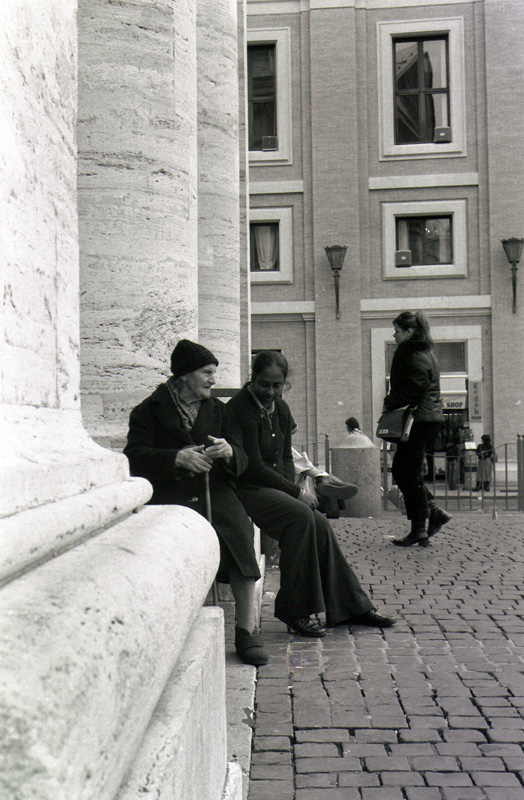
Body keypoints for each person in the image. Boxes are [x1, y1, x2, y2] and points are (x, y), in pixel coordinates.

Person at [228, 350, 395, 637]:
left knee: (319, 523)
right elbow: (253, 466)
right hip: (246, 488)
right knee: (302, 518)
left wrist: (291, 492)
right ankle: (294, 611)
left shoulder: (280, 409)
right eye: (264, 384)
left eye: (276, 385)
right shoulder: (239, 408)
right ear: (252, 379)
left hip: (272, 487)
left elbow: (283, 457)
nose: (270, 391)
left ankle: (349, 606)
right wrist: (294, 492)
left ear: (284, 383)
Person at [124, 339, 267, 667]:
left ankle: (246, 630)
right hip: (170, 496)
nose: (213, 379)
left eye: (214, 372)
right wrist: (177, 458)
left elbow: (243, 456)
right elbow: (133, 458)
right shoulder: (147, 411)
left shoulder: (220, 411)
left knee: (239, 533)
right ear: (185, 375)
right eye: (207, 372)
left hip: (215, 491)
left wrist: (229, 452)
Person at [382, 311, 451, 547]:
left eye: (397, 330)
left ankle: (421, 526)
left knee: (405, 471)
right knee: (405, 470)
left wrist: (391, 401)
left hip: (418, 420)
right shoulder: (422, 352)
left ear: (409, 332)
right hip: (425, 418)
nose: (394, 334)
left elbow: (417, 386)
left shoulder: (413, 354)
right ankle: (430, 514)